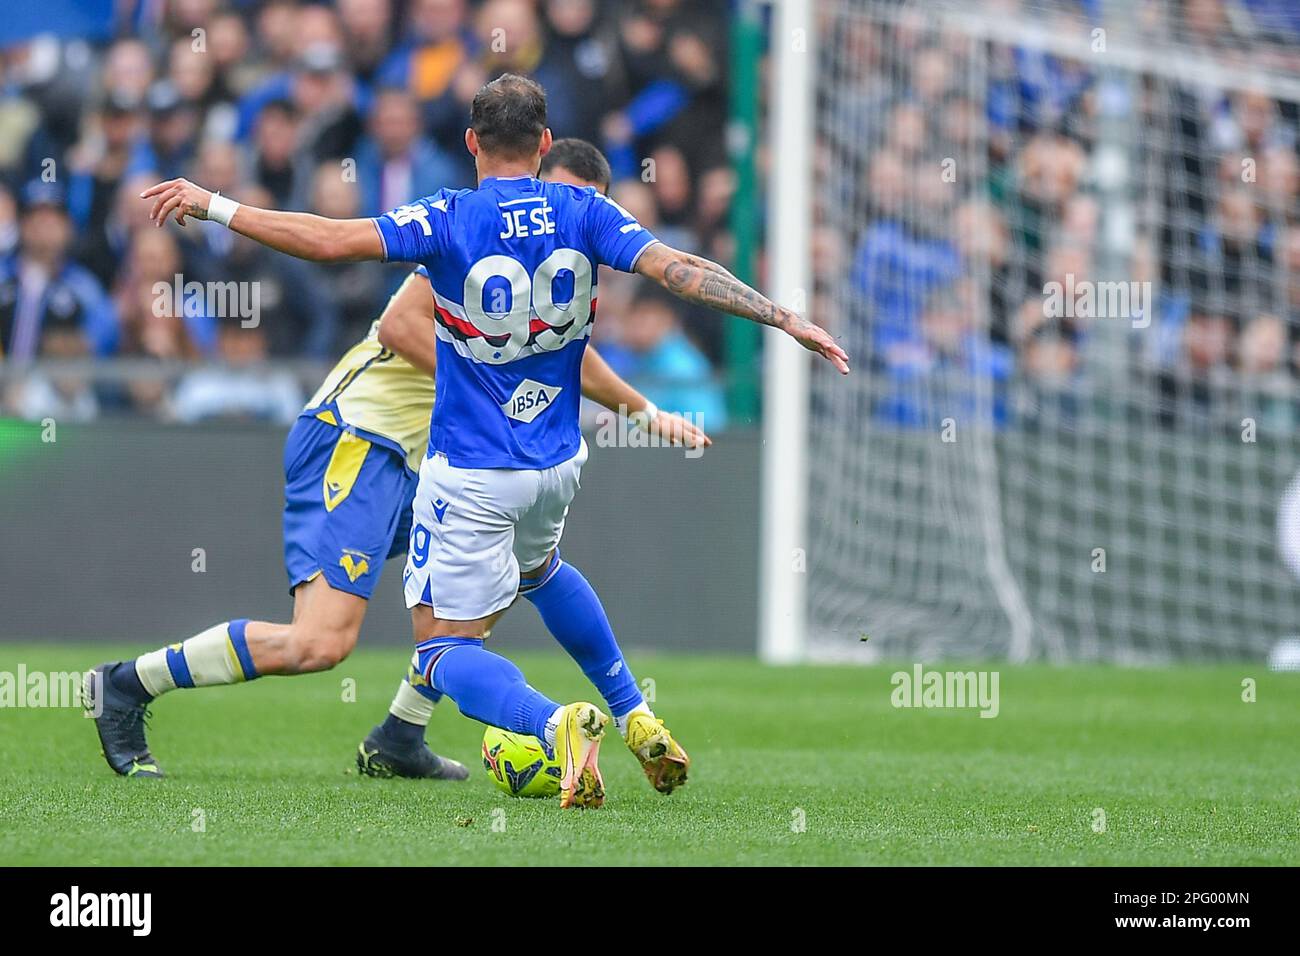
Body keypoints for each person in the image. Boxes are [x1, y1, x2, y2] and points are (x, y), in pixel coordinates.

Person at [134, 74, 848, 808]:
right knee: (540, 567)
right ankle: (631, 711)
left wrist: (215, 204)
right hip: (556, 462)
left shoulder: (448, 216)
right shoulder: (588, 211)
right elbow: (680, 271)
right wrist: (784, 317)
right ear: (545, 144)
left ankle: (554, 723)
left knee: (442, 649)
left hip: (472, 468)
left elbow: (328, 241)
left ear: (472, 142)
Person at [85, 137, 708, 786]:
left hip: (434, 463)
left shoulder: (557, 255)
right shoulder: (471, 231)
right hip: (361, 436)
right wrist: (494, 392)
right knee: (319, 644)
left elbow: (562, 355)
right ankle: (126, 685)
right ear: (537, 175)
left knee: (484, 595)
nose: (575, 213)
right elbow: (399, 328)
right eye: (571, 195)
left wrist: (643, 411)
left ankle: (400, 735)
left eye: (590, 204)